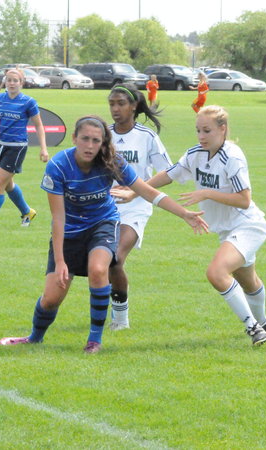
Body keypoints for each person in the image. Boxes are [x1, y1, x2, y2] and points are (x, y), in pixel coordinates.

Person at [0, 116, 208, 354]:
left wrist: (184, 214)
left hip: (103, 224)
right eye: (85, 139)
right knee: (51, 298)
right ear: (74, 138)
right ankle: (34, 338)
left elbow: (147, 191)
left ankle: (94, 341)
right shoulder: (58, 166)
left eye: (96, 141)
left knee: (98, 270)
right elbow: (58, 218)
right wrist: (60, 261)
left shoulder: (111, 161)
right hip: (69, 232)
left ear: (103, 143)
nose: (90, 145)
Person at [114, 105, 266, 346]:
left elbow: (244, 199)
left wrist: (207, 193)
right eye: (198, 130)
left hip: (248, 225)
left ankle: (254, 329)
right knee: (249, 281)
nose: (201, 136)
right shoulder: (195, 154)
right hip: (227, 230)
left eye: (207, 131)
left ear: (223, 129)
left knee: (216, 273)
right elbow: (167, 175)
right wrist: (134, 192)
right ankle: (264, 322)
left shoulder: (232, 156)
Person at [106, 84, 173, 330]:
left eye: (121, 103)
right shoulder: (103, 134)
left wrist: (136, 191)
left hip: (136, 207)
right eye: (112, 104)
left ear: (134, 106)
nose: (115, 109)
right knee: (99, 263)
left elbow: (168, 172)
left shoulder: (147, 137)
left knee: (115, 259)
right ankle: (100, 312)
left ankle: (120, 319)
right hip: (104, 207)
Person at [0, 68, 49, 229]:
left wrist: (43, 149)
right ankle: (27, 212)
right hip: (0, 145)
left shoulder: (28, 102)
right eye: (9, 80)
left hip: (16, 148)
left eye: (15, 81)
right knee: (8, 184)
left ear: (21, 83)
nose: (11, 83)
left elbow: (39, 126)